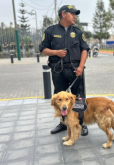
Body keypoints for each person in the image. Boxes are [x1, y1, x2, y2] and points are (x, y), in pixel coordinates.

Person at [39, 5, 90, 135]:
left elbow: (85, 49)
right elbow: (43, 49)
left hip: (75, 70)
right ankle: (63, 123)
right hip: (58, 70)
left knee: (79, 97)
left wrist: (80, 67)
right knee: (60, 98)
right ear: (63, 14)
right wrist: (55, 52)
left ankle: (81, 123)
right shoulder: (50, 31)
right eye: (72, 14)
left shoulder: (78, 32)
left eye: (75, 14)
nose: (75, 16)